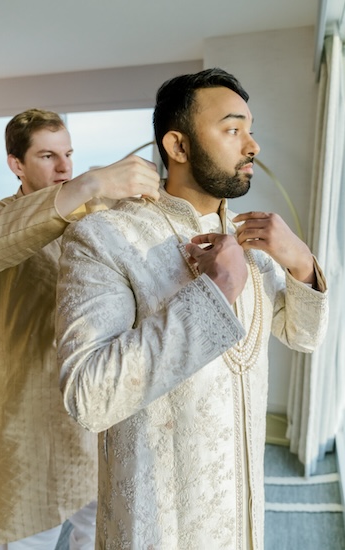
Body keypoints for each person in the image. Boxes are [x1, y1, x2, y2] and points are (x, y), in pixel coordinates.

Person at [56, 69, 328, 550]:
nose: (253, 146)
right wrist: (217, 290)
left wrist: (303, 264)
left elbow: (305, 337)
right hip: (158, 526)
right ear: (178, 146)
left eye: (250, 129)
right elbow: (88, 396)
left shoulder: (255, 242)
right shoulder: (105, 238)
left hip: (244, 516)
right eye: (232, 129)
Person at [0, 108, 160, 550]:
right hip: (30, 422)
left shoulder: (94, 218)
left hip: (99, 414)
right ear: (15, 164)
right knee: (21, 538)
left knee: (100, 536)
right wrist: (93, 182)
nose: (64, 167)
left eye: (69, 154)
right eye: (47, 156)